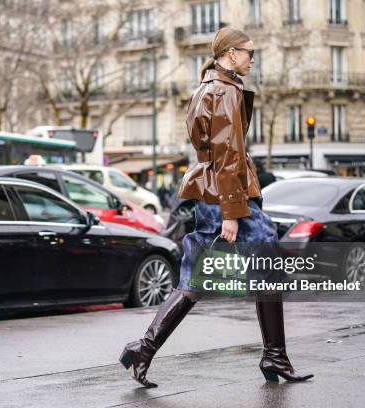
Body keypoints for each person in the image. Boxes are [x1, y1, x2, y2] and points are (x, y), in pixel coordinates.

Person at [119, 27, 313, 388]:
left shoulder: (208, 87)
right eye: (249, 52)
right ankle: (274, 356)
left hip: (212, 192)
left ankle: (143, 350)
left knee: (195, 278)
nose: (252, 58)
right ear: (231, 53)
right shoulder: (224, 90)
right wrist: (232, 213)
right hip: (227, 193)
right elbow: (227, 154)